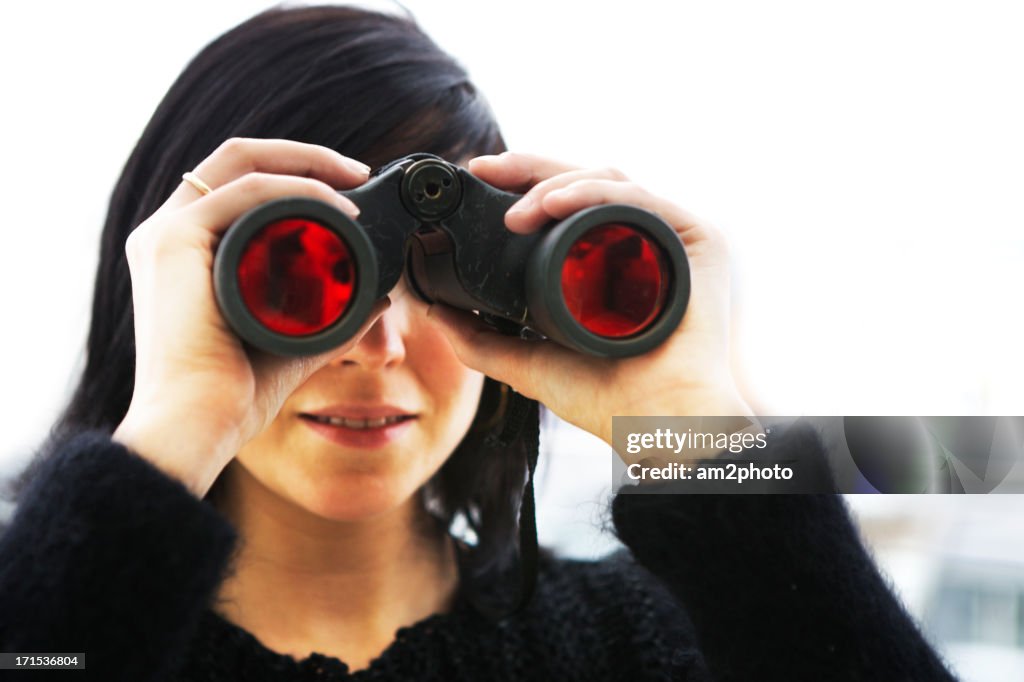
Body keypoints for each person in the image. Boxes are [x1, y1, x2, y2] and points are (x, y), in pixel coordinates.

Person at [0, 5, 957, 681]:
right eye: (309, 271)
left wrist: (693, 431)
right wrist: (176, 424)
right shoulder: (63, 620)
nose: (378, 342)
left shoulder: (650, 643)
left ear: (505, 301)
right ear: (174, 288)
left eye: (435, 277)